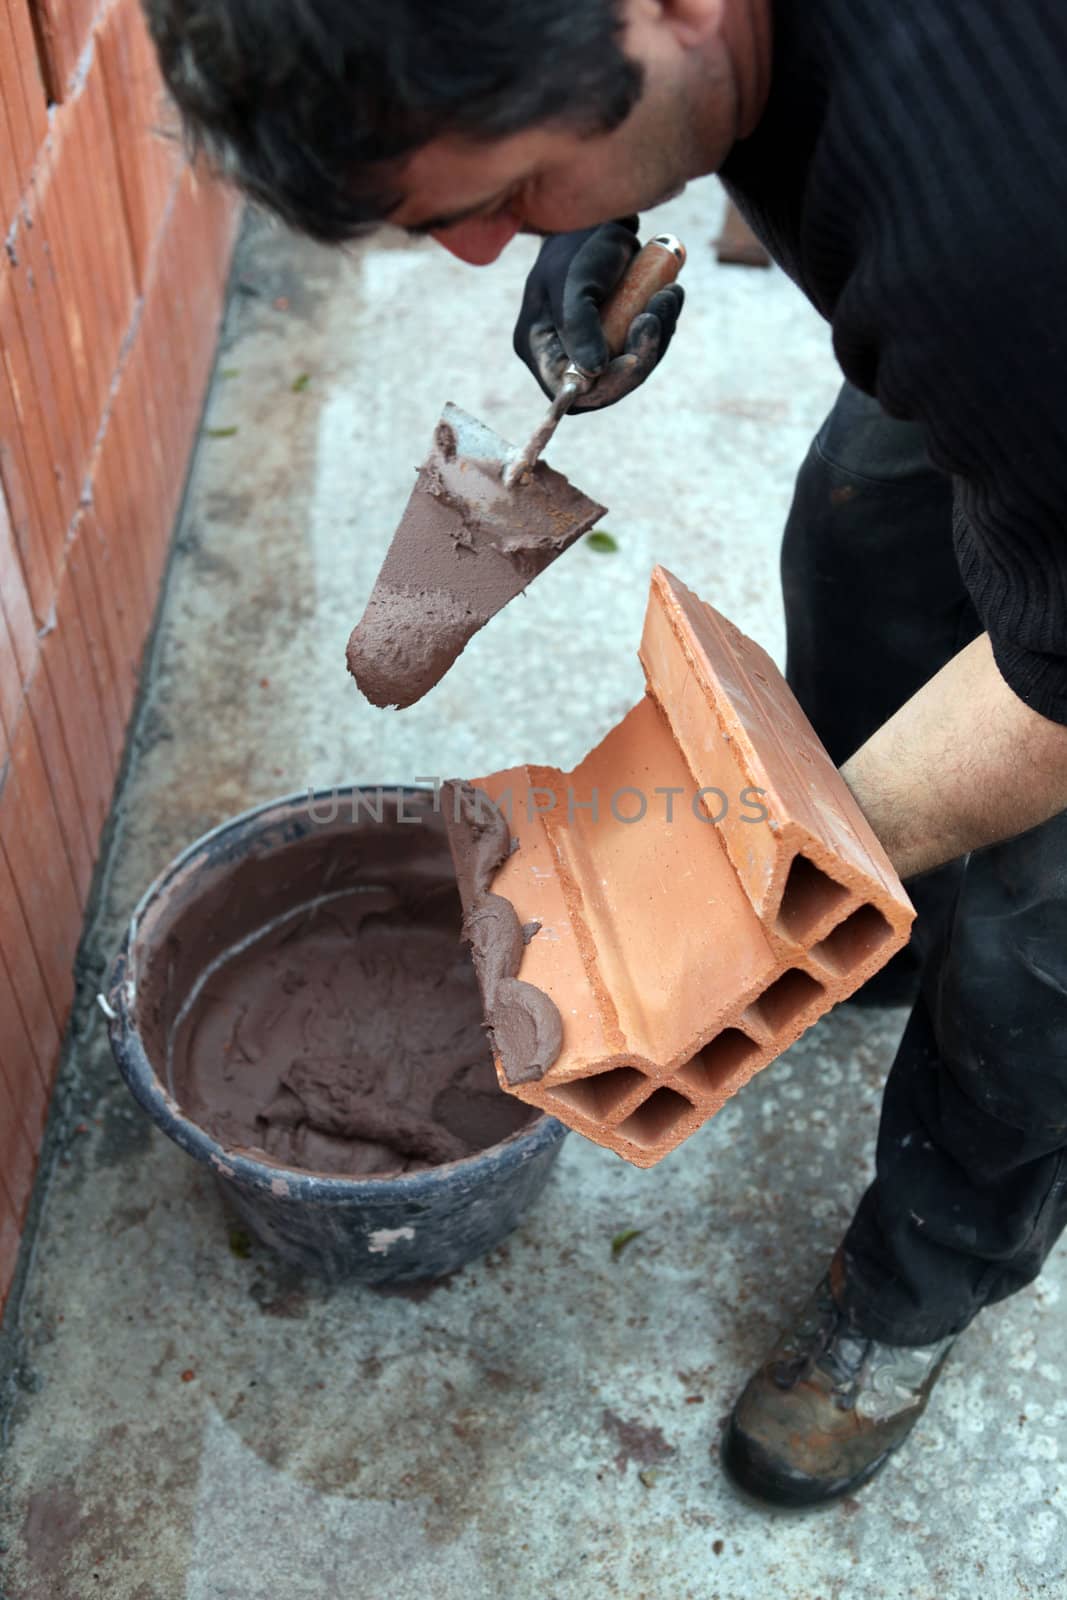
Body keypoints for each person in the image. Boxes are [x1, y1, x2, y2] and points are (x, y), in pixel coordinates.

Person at [145, 0, 1067, 1507]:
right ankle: (887, 953)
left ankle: (916, 1288)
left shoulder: (995, 243)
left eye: (502, 198)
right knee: (862, 528)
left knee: (1036, 952)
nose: (475, 250)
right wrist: (593, 211)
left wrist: (773, 878)